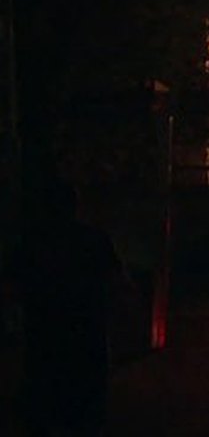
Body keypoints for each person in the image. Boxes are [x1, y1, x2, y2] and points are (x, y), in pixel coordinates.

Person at [12, 178, 126, 435]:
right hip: (86, 340)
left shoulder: (32, 244)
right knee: (85, 415)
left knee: (46, 412)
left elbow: (12, 288)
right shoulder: (94, 240)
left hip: (44, 341)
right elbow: (117, 284)